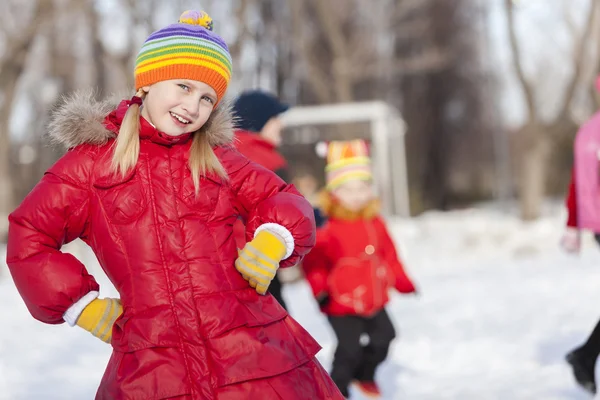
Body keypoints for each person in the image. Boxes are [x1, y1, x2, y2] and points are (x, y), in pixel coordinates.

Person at [6, 10, 343, 400]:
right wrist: (81, 305)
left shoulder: (217, 158)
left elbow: (283, 198)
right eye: (183, 86)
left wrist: (272, 238)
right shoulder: (92, 163)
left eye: (206, 98)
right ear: (148, 82)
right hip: (154, 362)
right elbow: (30, 235)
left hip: (248, 352)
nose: (192, 106)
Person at [301, 139, 417, 399]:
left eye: (362, 187)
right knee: (349, 349)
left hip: (373, 298)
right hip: (339, 301)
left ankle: (365, 375)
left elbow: (389, 255)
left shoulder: (374, 222)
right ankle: (336, 390)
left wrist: (402, 281)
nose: (356, 195)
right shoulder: (328, 228)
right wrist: (320, 290)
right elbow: (314, 263)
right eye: (348, 189)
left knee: (385, 336)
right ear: (334, 193)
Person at [231, 90, 291, 309]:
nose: (280, 125)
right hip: (258, 256)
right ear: (259, 122)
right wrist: (314, 217)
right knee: (277, 332)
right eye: (275, 119)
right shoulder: (265, 159)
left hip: (232, 256)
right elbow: (281, 210)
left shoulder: (228, 152)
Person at [561, 97, 600, 394]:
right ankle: (584, 356)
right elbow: (580, 183)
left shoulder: (589, 132)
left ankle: (585, 356)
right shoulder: (592, 133)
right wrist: (572, 224)